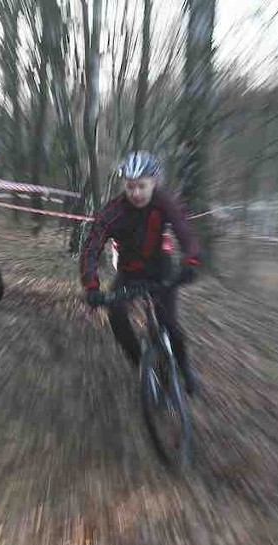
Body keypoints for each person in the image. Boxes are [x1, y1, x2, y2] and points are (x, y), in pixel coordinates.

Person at [80, 150, 202, 395]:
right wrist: (91, 286)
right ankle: (140, 365)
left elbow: (183, 230)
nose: (135, 193)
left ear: (153, 183)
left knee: (168, 323)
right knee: (115, 314)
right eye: (130, 186)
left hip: (160, 267)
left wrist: (191, 260)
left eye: (142, 186)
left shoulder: (164, 202)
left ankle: (185, 367)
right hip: (129, 271)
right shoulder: (113, 211)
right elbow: (91, 248)